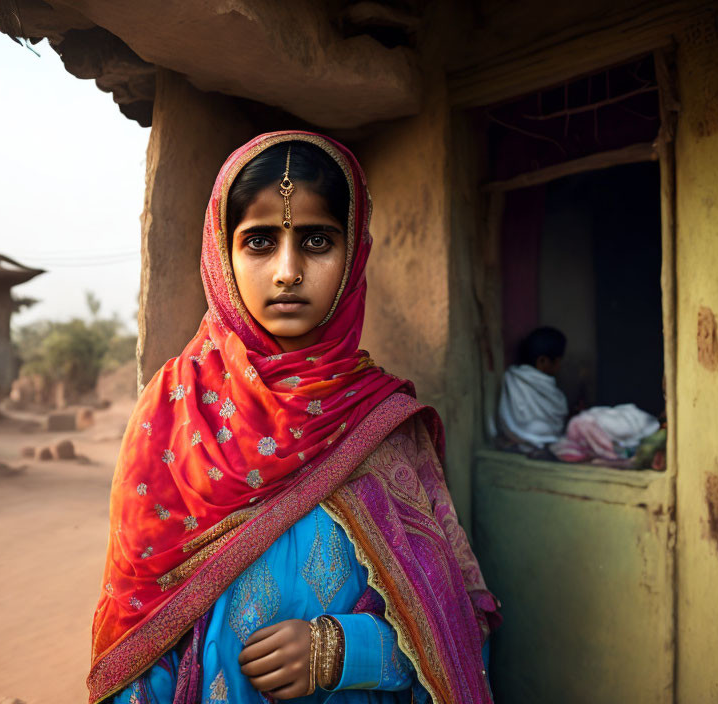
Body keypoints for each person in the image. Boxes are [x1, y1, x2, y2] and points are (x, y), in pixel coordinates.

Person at [88, 132, 499, 704]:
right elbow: (133, 630)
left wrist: (344, 649)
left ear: (354, 253)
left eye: (316, 240)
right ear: (221, 253)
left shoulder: (383, 424)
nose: (287, 270)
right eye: (258, 241)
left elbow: (458, 617)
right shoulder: (175, 410)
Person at [496, 326, 569, 451]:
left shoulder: (514, 377)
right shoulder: (513, 379)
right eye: (558, 361)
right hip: (525, 437)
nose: (560, 366)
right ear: (542, 361)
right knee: (539, 428)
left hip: (525, 441)